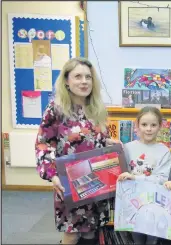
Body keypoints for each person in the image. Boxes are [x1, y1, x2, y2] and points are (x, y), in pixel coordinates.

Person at [35, 57, 118, 245]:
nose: (84, 81)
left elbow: (97, 139)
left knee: (92, 232)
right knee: (72, 233)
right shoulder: (56, 109)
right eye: (78, 76)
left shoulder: (96, 108)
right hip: (69, 182)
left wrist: (110, 143)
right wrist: (52, 175)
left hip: (97, 181)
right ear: (66, 80)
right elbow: (43, 144)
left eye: (88, 77)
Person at [117, 106, 171, 245]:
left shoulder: (164, 151)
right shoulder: (127, 148)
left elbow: (162, 179)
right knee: (136, 239)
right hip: (132, 203)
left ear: (160, 126)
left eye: (153, 125)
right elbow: (121, 172)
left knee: (152, 240)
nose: (149, 129)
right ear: (137, 125)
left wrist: (136, 177)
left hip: (154, 204)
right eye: (144, 124)